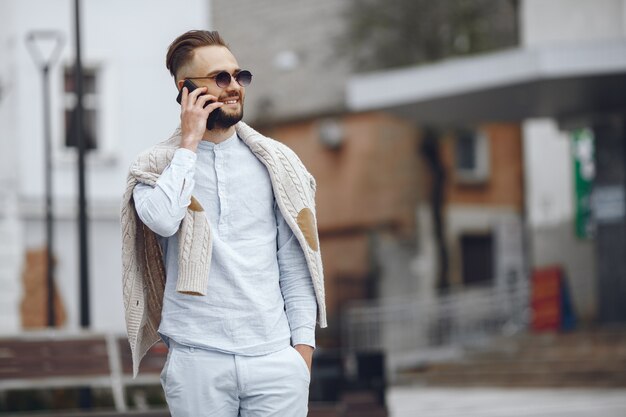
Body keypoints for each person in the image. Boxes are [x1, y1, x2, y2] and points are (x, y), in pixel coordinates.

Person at [120, 30, 327, 416]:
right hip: (199, 362)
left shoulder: (278, 165)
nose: (234, 87)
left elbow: (296, 266)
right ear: (186, 91)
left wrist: (301, 355)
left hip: (275, 361)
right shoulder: (154, 168)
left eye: (239, 76)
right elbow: (164, 220)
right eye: (220, 78)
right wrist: (188, 146)